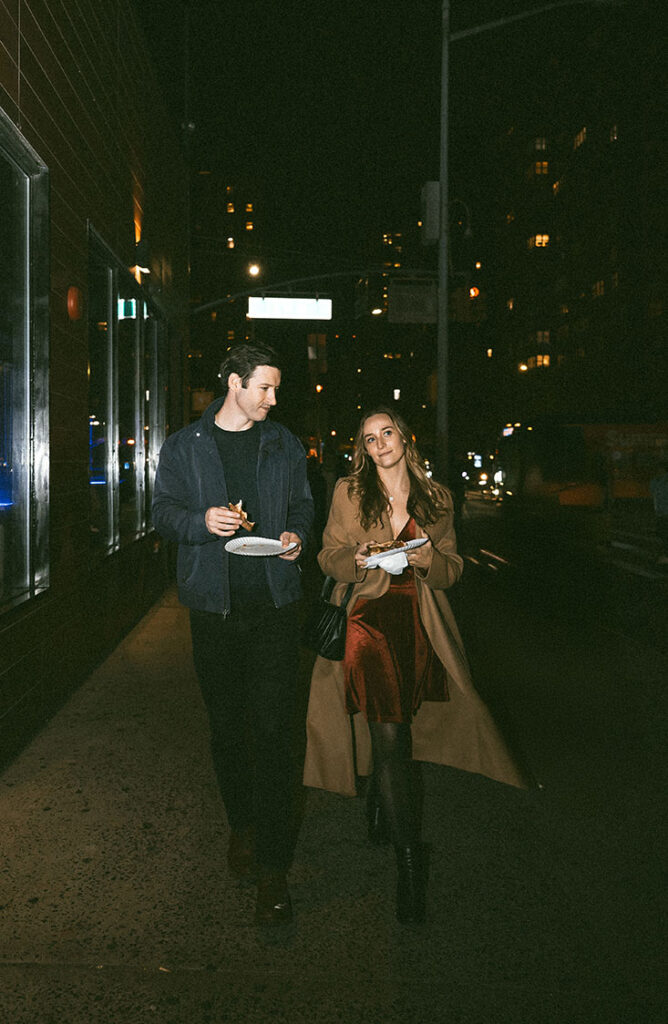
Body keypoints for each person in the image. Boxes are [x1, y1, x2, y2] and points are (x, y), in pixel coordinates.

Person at [303, 407, 528, 924]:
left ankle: (382, 800)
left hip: (420, 622)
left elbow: (450, 569)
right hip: (366, 620)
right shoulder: (349, 491)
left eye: (387, 433)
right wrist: (355, 560)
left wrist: (425, 558)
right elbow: (327, 555)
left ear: (404, 437)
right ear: (362, 448)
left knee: (399, 726)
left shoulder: (439, 498)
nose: (380, 444)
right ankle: (410, 866)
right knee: (389, 735)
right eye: (369, 438)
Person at [152, 343, 313, 928]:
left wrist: (295, 536)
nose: (274, 398)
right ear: (233, 383)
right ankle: (241, 824)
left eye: (275, 388)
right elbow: (162, 513)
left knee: (273, 733)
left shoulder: (284, 442)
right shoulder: (184, 446)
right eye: (265, 387)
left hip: (274, 609)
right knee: (227, 729)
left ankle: (273, 871)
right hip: (213, 612)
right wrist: (201, 523)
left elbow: (302, 504)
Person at [649, 462, 668, 564]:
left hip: (664, 512)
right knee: (662, 533)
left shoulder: (659, 481)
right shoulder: (656, 481)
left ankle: (665, 556)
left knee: (663, 533)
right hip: (661, 512)